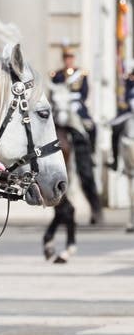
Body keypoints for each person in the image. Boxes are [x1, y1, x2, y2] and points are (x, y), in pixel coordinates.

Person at [50, 44, 102, 225]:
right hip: (61, 116)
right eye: (66, 57)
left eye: (70, 57)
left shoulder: (81, 74)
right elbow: (52, 94)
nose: (68, 60)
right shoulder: (56, 75)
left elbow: (84, 93)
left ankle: (91, 152)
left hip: (77, 113)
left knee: (91, 127)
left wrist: (74, 101)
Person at [107, 61, 134, 170]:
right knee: (116, 129)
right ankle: (115, 161)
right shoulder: (127, 82)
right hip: (128, 113)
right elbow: (123, 99)